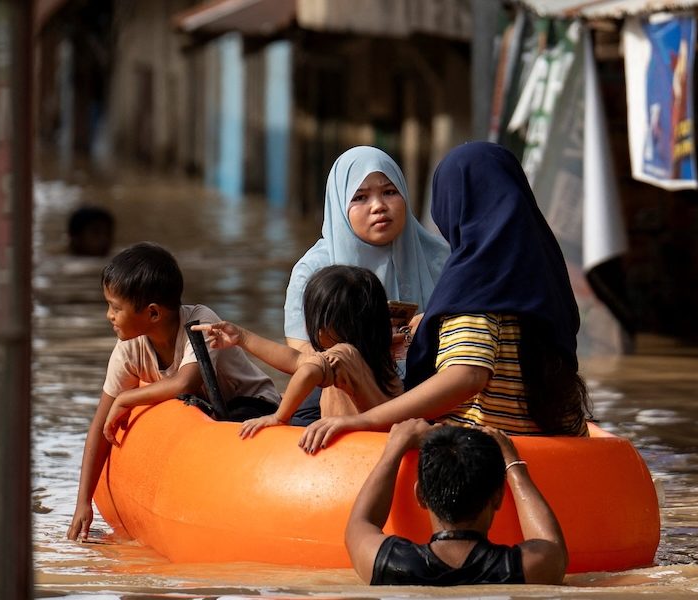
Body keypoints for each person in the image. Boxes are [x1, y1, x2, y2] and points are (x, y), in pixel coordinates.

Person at [299, 142, 589, 453]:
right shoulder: (544, 270)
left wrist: (366, 421)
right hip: (556, 441)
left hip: (478, 449)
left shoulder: (476, 279)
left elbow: (466, 375)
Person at [66, 242, 280, 541]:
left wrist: (128, 398)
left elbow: (185, 382)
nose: (109, 316)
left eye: (116, 307)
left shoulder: (199, 323)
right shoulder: (129, 349)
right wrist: (82, 503)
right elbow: (100, 426)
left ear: (153, 313)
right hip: (205, 418)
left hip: (253, 408)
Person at [284, 146, 450, 419]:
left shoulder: (440, 259)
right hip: (341, 389)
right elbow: (301, 352)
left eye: (389, 192)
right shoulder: (313, 271)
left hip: (428, 386)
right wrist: (370, 346)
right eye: (360, 197)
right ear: (339, 203)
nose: (379, 206)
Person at [345, 419, 568, 585]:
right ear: (498, 497)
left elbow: (360, 523)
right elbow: (550, 544)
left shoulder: (391, 565)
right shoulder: (518, 569)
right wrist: (513, 463)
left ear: (420, 496)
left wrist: (395, 447)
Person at [193, 265, 401, 439]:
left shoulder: (342, 354)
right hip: (381, 441)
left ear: (323, 328)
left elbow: (307, 371)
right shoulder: (378, 353)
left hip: (357, 451)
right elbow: (297, 360)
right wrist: (242, 338)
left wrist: (279, 417)